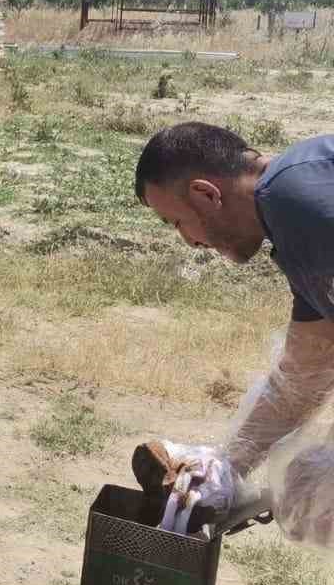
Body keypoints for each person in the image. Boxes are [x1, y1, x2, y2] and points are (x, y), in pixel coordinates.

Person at [135, 122, 334, 542]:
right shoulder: (294, 217)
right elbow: (303, 376)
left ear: (206, 195)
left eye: (176, 221)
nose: (188, 241)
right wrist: (227, 466)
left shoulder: (302, 204)